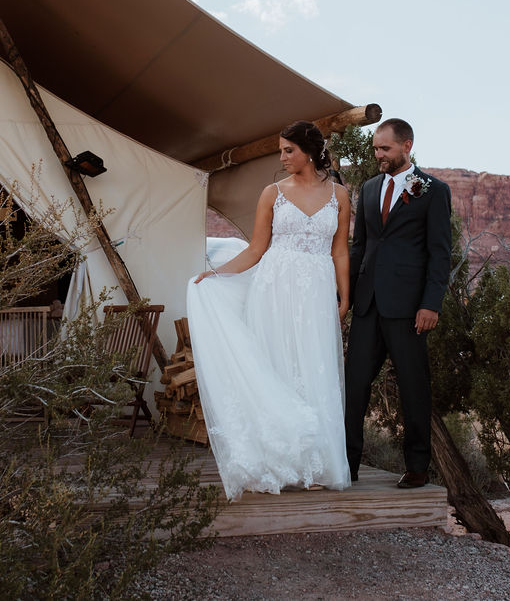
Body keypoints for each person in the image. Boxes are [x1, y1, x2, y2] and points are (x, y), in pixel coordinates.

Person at [187, 120, 352, 500]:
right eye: (280, 150)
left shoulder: (338, 196)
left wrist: (344, 296)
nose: (281, 157)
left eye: (287, 150)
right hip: (274, 289)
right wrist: (215, 274)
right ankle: (277, 462)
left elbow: (340, 249)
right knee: (277, 366)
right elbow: (255, 249)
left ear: (309, 152)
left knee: (316, 368)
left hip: (316, 291)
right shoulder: (272, 193)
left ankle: (316, 464)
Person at [346, 118, 452, 488]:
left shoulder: (433, 191)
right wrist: (346, 296)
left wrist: (431, 303)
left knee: (413, 386)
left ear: (407, 145)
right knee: (354, 384)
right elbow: (360, 246)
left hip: (409, 308)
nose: (379, 155)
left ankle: (417, 467)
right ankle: (348, 464)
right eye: (376, 148)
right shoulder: (370, 188)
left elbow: (440, 253)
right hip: (367, 304)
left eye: (385, 149)